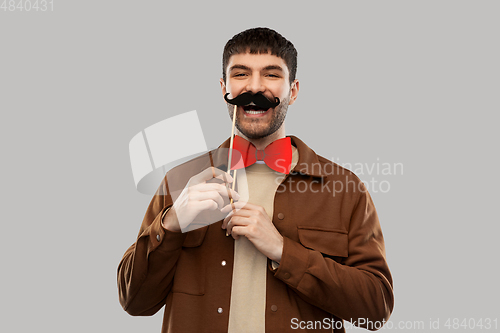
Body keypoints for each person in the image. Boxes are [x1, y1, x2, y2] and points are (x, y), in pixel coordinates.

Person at [118, 27, 394, 333]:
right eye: (240, 74)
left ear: (294, 90)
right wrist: (171, 224)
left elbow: (376, 308)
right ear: (224, 87)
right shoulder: (181, 180)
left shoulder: (345, 189)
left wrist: (281, 249)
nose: (255, 87)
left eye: (272, 75)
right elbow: (134, 302)